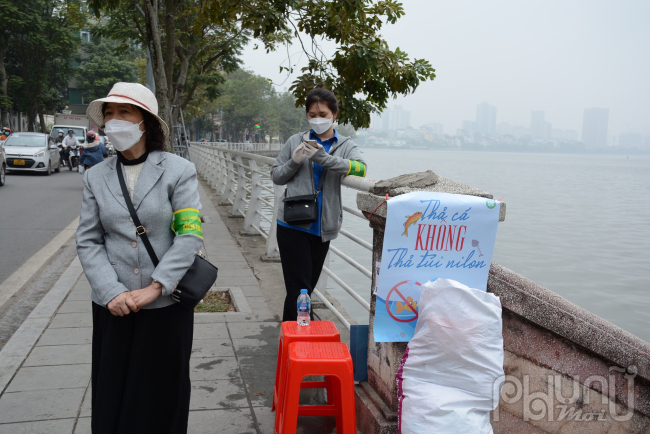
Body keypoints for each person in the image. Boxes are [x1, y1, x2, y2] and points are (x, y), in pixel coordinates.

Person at [76, 82, 203, 434]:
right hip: (113, 305)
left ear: (145, 121)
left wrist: (156, 288)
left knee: (163, 393)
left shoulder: (179, 170)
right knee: (112, 389)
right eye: (109, 114)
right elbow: (88, 240)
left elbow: (189, 234)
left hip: (165, 307)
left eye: (124, 113)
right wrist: (110, 291)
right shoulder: (95, 176)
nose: (114, 121)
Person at [270, 88, 367, 321]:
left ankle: (292, 338)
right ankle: (298, 342)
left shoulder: (345, 145)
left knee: (306, 289)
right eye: (312, 114)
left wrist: (322, 157)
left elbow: (361, 168)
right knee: (298, 290)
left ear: (334, 114)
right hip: (293, 224)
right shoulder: (296, 140)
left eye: (322, 113)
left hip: (324, 227)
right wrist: (295, 161)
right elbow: (276, 175)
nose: (317, 119)